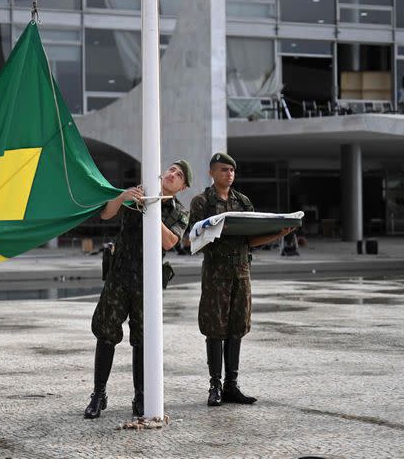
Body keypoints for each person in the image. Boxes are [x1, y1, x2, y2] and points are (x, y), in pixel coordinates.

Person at [84, 160, 191, 419]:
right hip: (119, 275)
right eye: (171, 170)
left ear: (183, 186)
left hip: (148, 281)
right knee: (106, 333)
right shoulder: (137, 193)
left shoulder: (179, 211)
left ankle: (141, 397)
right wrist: (123, 197)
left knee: (142, 340)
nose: (173, 174)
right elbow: (106, 214)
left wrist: (150, 210)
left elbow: (169, 242)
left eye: (179, 175)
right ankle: (99, 394)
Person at [189, 153, 293, 407]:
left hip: (241, 273)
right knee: (215, 329)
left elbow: (250, 240)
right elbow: (192, 239)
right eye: (224, 170)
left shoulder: (242, 201)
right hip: (216, 275)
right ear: (212, 173)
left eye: (232, 170)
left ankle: (231, 387)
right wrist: (214, 230)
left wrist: (277, 234)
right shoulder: (202, 202)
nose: (229, 174)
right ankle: (214, 386)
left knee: (237, 328)